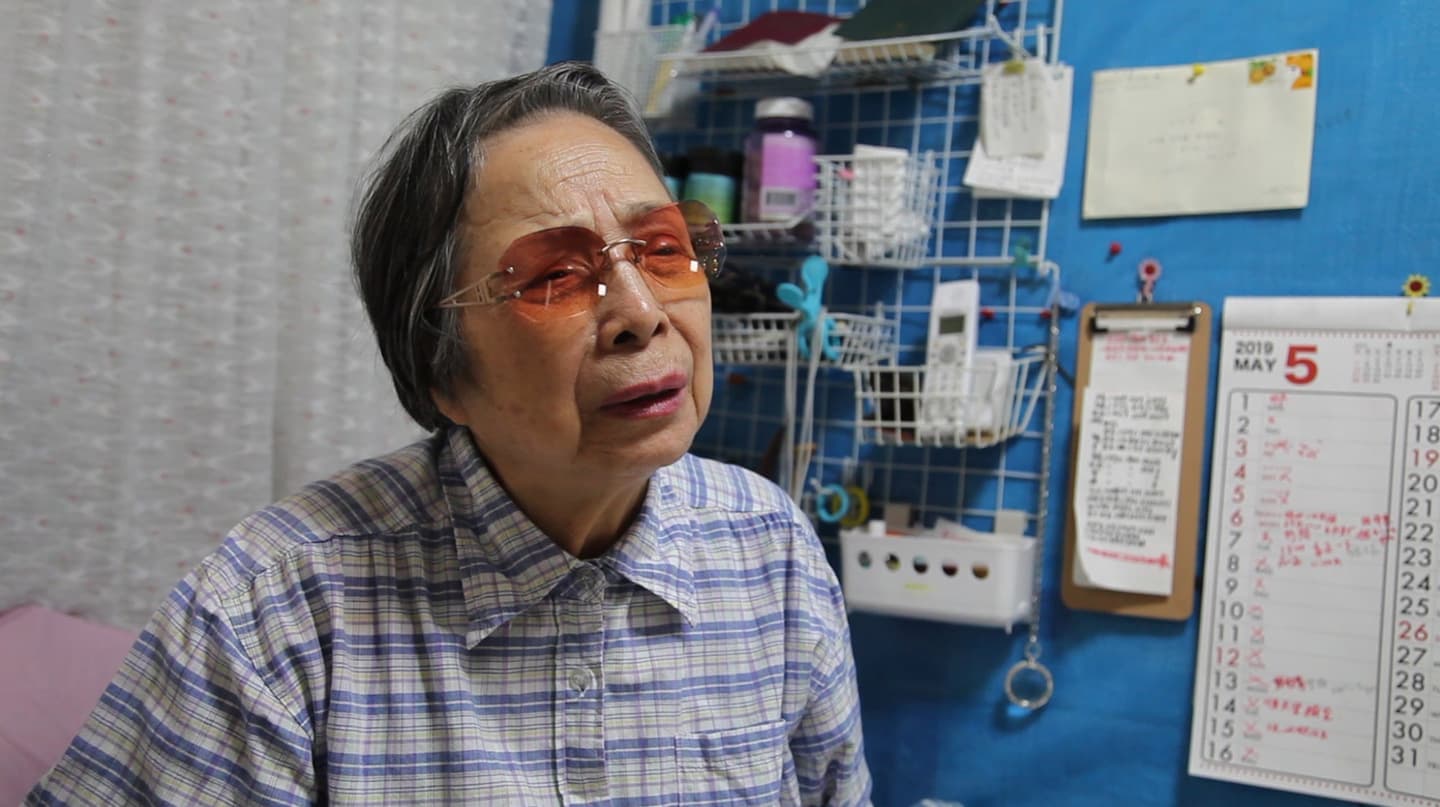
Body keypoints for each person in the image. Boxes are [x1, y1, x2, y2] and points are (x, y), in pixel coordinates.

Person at [28, 61, 871, 805]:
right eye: (556, 275)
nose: (642, 314)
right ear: (442, 370)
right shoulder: (276, 608)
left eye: (661, 248)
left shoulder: (773, 554)